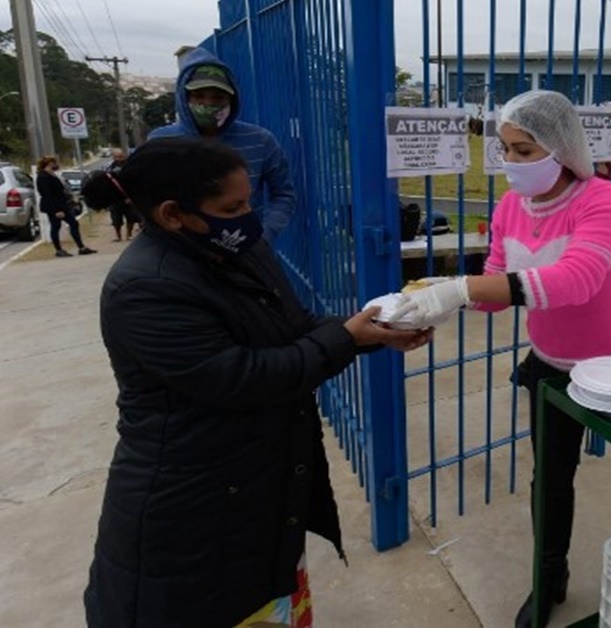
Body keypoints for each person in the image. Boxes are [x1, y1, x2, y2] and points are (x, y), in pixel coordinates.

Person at [79, 137, 432, 627]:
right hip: (192, 509)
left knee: (269, 600)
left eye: (249, 201)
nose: (248, 216)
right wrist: (346, 338)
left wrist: (375, 332)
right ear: (172, 214)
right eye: (233, 207)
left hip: (256, 492)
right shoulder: (145, 287)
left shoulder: (237, 248)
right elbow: (242, 379)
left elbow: (294, 326)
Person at [397, 90, 611, 628]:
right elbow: (496, 286)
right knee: (551, 478)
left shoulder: (604, 200)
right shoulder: (508, 208)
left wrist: (462, 287)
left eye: (524, 151)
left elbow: (577, 279)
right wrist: (438, 302)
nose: (510, 162)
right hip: (554, 363)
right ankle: (549, 576)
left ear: (561, 149)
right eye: (504, 149)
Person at [147, 48, 296, 243]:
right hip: (181, 249)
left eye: (218, 97)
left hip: (244, 248)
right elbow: (147, 199)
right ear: (185, 97)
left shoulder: (260, 140)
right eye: (199, 96)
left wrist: (264, 236)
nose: (208, 103)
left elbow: (283, 193)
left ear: (232, 100)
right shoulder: (160, 142)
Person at [35, 155, 96, 257]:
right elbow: (47, 194)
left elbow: (60, 190)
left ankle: (81, 247)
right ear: (49, 163)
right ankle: (58, 250)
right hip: (53, 207)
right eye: (54, 162)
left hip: (62, 204)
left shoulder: (53, 174)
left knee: (73, 224)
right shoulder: (42, 177)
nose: (56, 164)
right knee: (56, 226)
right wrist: (57, 210)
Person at [105, 149, 139, 241]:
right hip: (114, 198)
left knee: (131, 217)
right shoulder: (108, 167)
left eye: (120, 156)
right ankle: (118, 236)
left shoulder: (130, 165)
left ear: (124, 156)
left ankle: (129, 234)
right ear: (113, 157)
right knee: (116, 218)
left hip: (128, 196)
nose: (119, 159)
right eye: (116, 157)